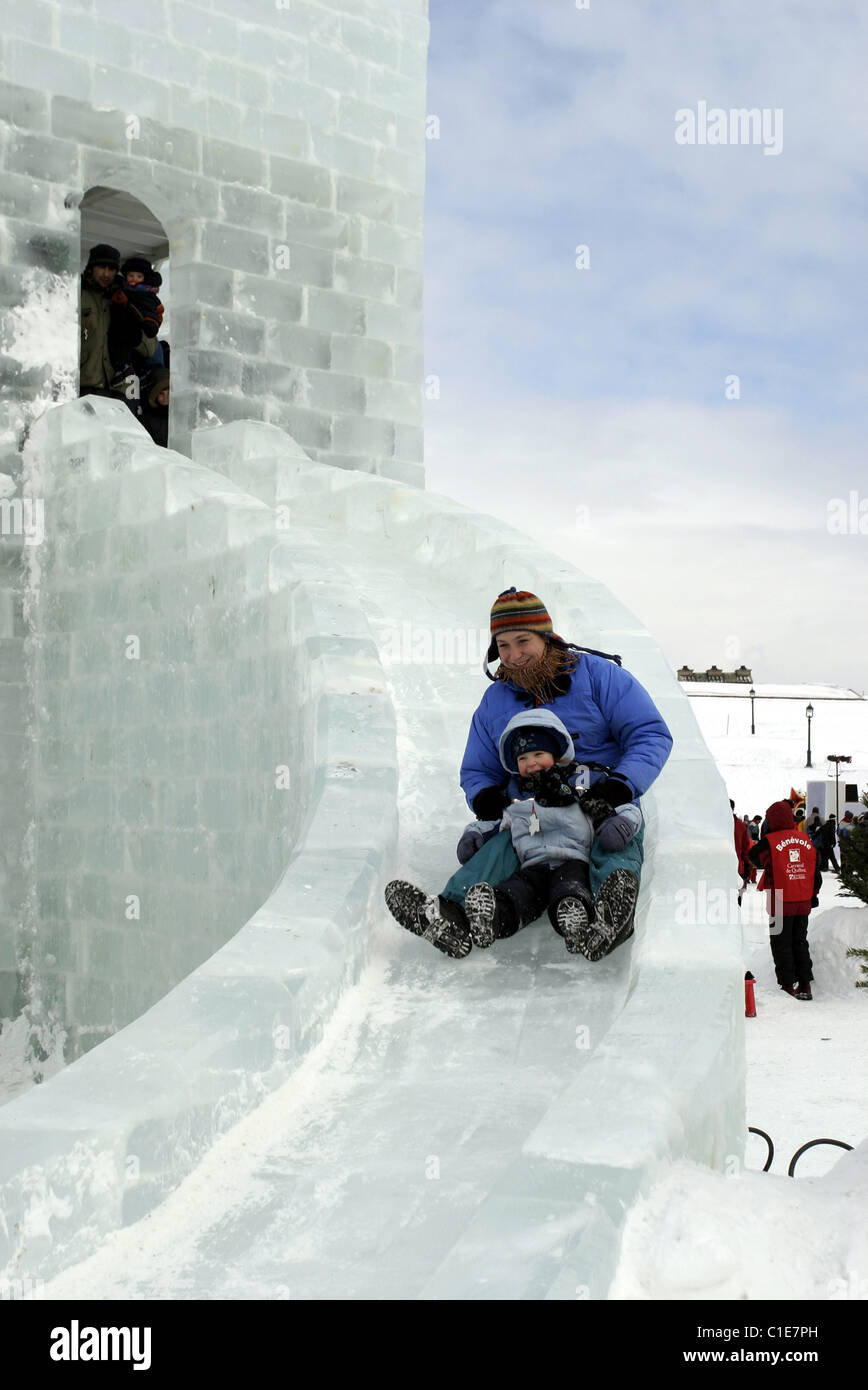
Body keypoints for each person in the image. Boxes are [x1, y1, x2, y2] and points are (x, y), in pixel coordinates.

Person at [384, 587, 672, 959]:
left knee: (613, 842)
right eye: (503, 646)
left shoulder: (599, 677)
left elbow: (650, 733)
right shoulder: (496, 700)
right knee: (500, 849)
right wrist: (487, 797)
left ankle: (610, 914)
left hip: (597, 798)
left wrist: (620, 786)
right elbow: (478, 767)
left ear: (547, 638)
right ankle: (450, 914)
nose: (514, 655)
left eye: (523, 641)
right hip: (532, 810)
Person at [747, 799, 822, 1000]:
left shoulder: (769, 842)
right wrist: (813, 894)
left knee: (781, 942)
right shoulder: (805, 839)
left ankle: (788, 985)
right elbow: (816, 868)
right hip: (803, 899)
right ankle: (805, 984)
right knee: (799, 940)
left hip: (779, 899)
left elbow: (753, 857)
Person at [79, 243, 158, 397]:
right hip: (83, 387)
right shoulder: (77, 293)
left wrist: (135, 334)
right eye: (102, 267)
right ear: (91, 268)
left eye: (112, 269)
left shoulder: (130, 298)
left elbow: (150, 349)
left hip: (121, 391)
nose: (106, 274)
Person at [118, 256, 165, 367]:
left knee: (153, 352)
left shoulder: (147, 295)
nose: (134, 279)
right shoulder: (124, 291)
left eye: (139, 276)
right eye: (131, 276)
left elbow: (152, 310)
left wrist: (151, 323)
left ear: (144, 278)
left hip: (146, 329)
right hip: (129, 330)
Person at [138, 367, 169, 448]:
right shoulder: (147, 419)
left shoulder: (181, 416)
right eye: (161, 394)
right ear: (155, 396)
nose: (166, 397)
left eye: (169, 393)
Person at [732, 799, 753, 903]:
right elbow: (746, 848)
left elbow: (745, 848)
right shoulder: (740, 825)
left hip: (736, 868)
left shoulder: (740, 826)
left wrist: (747, 867)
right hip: (736, 868)